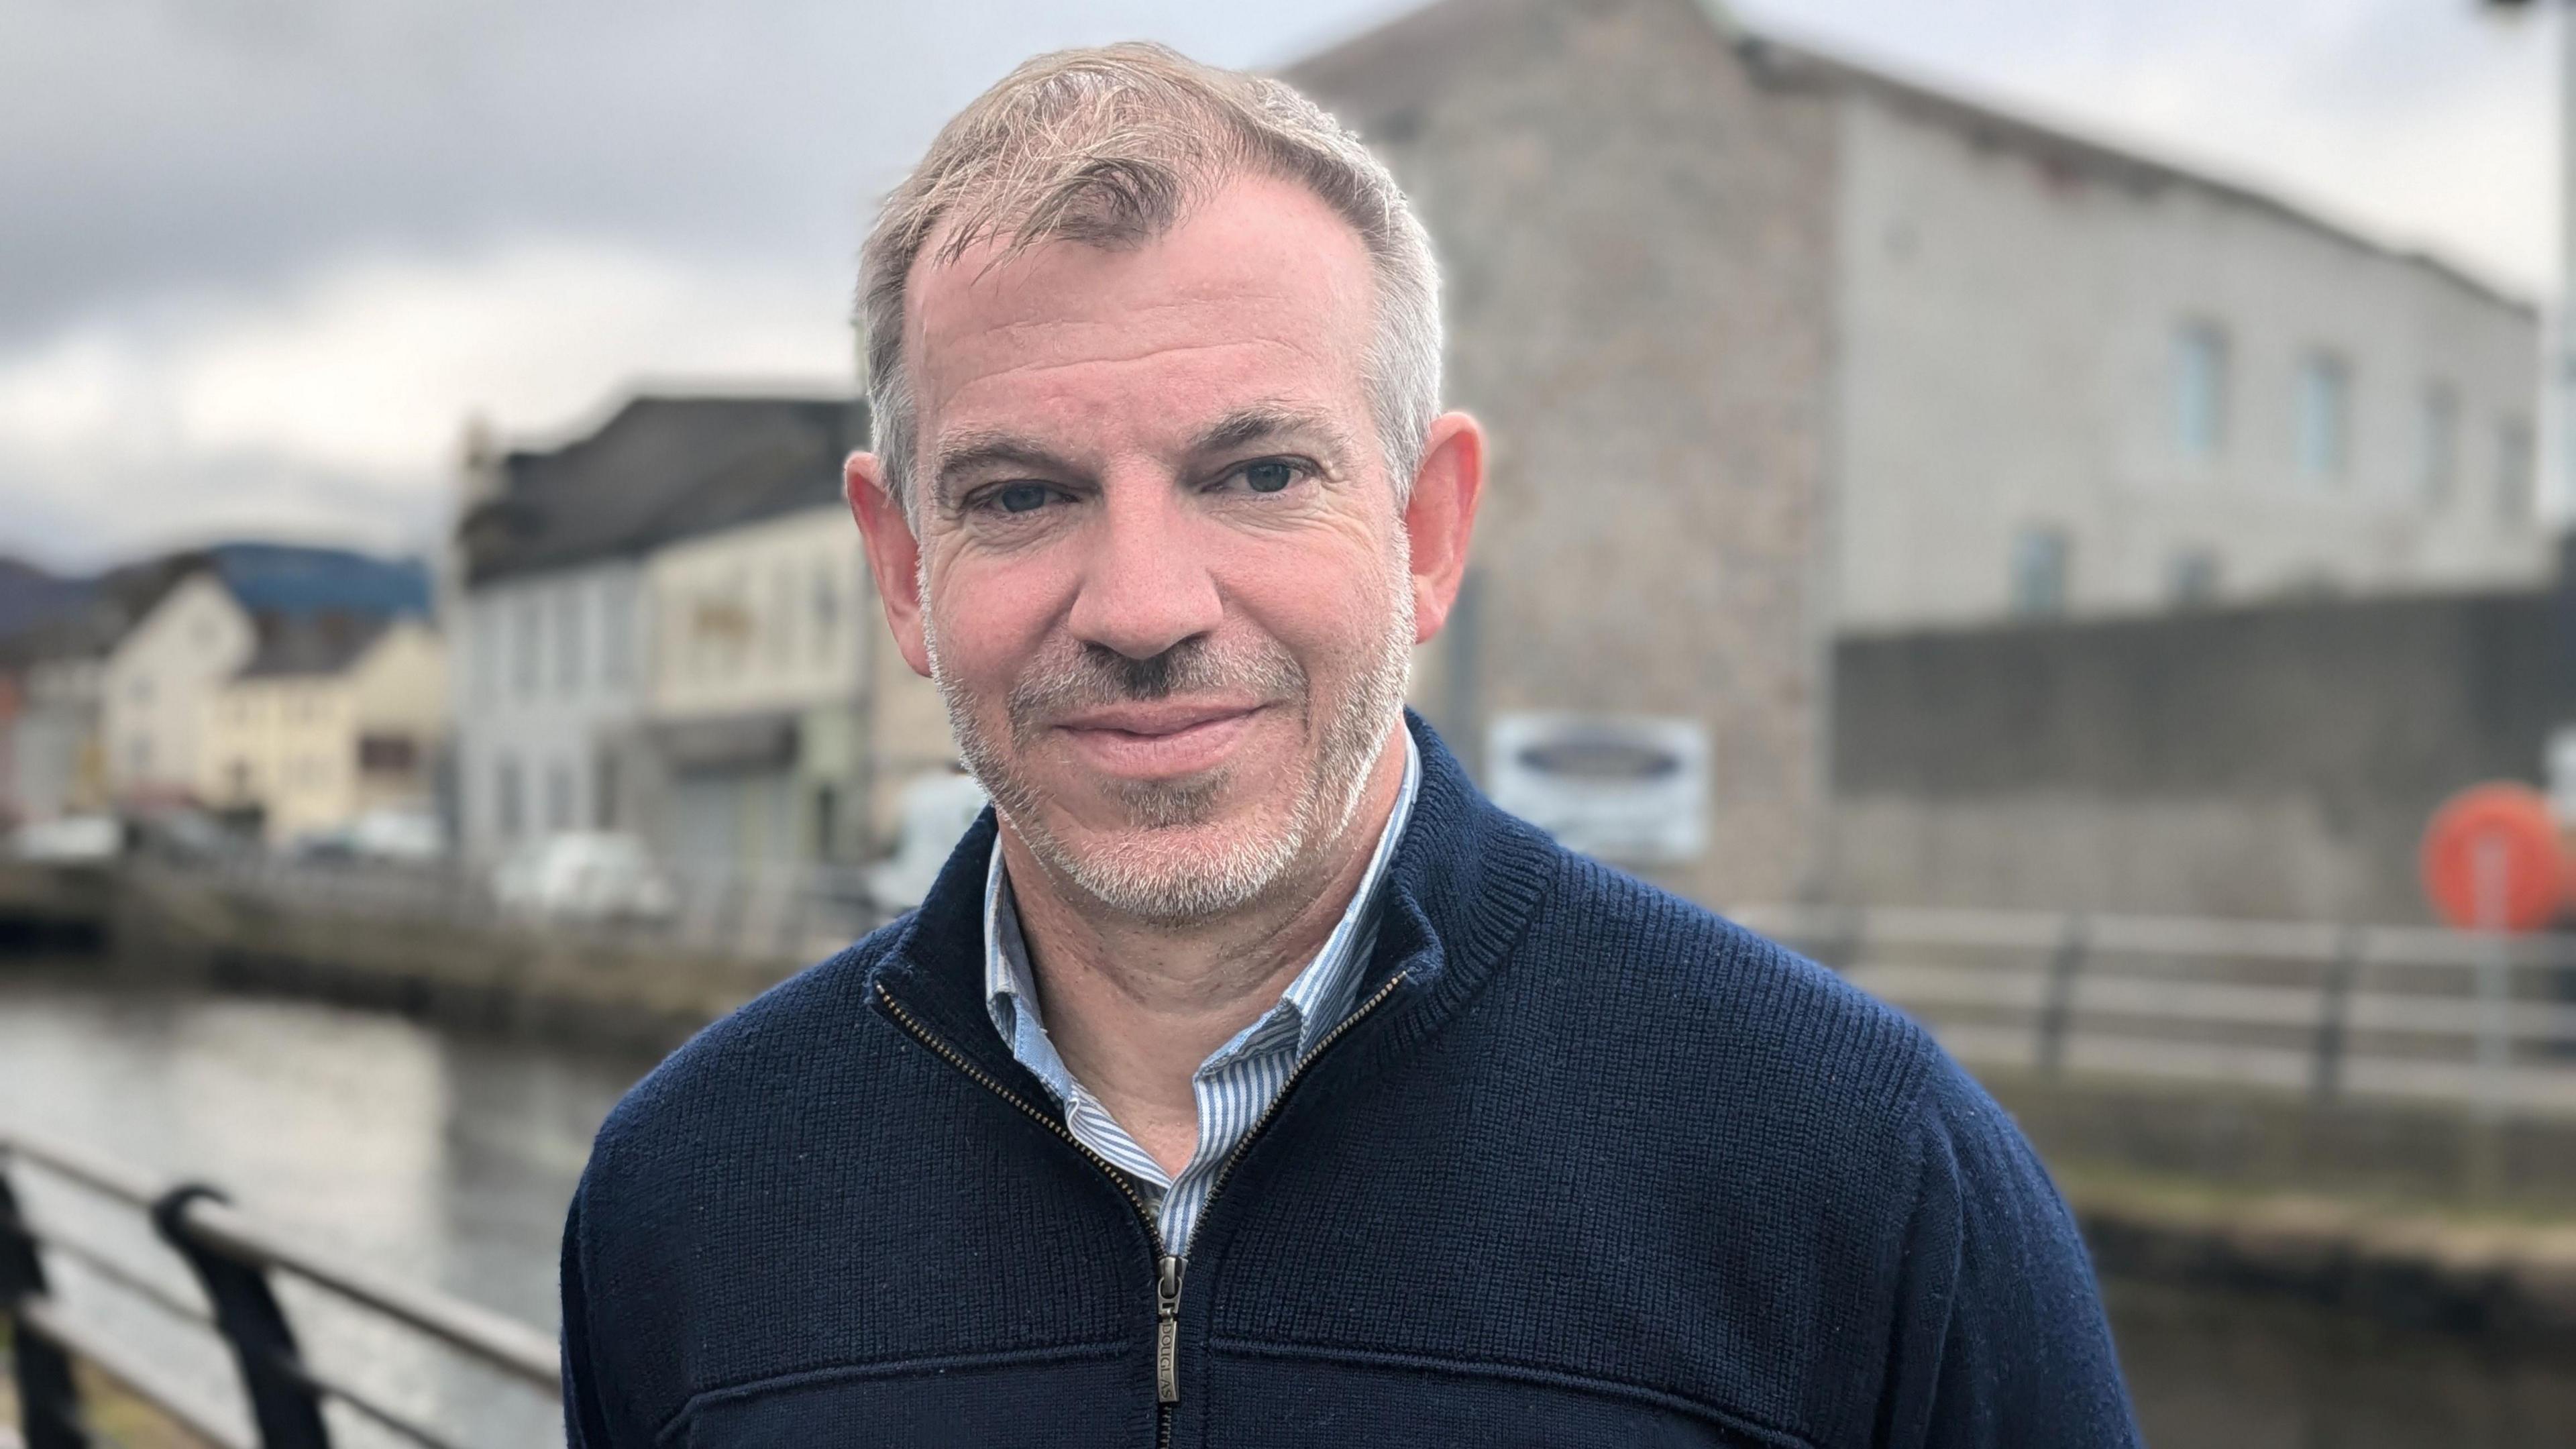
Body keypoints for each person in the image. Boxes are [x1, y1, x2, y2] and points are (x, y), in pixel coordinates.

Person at [559, 42, 2141, 1448]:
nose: (1143, 605)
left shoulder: (1858, 1178)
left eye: (1255, 473)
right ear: (906, 569)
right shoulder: (687, 1201)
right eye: (1022, 495)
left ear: (1426, 531)